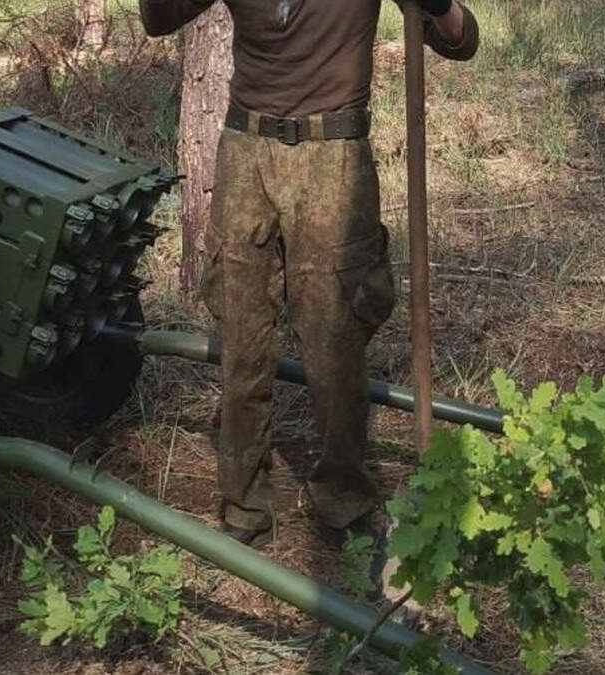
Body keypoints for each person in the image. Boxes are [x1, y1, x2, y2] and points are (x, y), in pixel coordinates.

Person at [140, 0, 479, 548]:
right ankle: (244, 502)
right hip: (245, 152)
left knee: (334, 339)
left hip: (334, 155)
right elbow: (158, 19)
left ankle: (342, 499)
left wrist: (439, 6)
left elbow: (462, 41)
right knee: (242, 337)